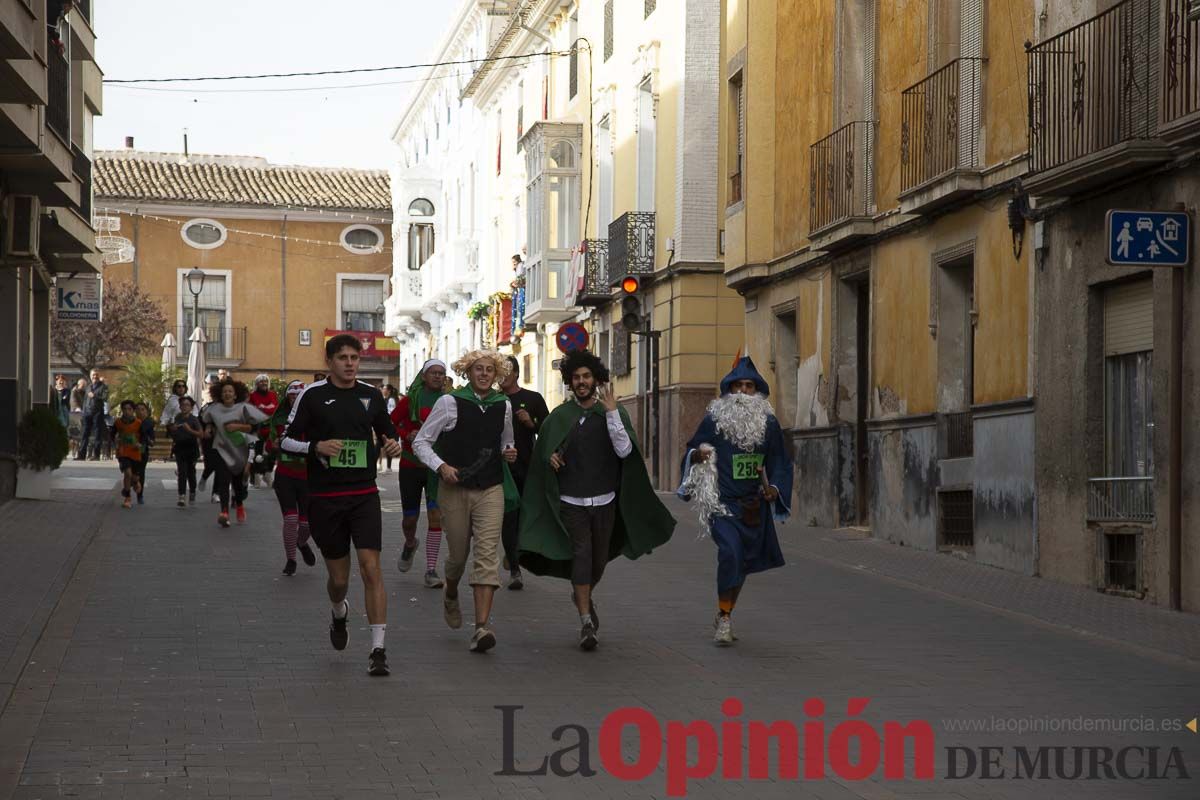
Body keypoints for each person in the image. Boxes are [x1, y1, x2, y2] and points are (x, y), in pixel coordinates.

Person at [519, 349, 675, 651]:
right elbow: (543, 454)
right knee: (582, 555)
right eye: (576, 377)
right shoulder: (560, 416)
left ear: (595, 379)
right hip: (571, 502)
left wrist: (614, 412)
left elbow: (625, 451)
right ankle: (586, 621)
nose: (581, 381)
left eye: (586, 376)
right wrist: (550, 457)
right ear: (570, 381)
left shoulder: (612, 412)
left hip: (604, 501)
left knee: (598, 561)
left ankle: (583, 594)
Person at [281, 334, 404, 677]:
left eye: (355, 358)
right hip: (324, 498)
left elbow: (389, 434)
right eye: (343, 358)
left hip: (364, 494)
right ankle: (339, 611)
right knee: (339, 578)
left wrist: (394, 446)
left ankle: (378, 650)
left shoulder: (371, 395)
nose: (350, 364)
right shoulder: (312, 396)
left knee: (371, 568)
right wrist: (316, 447)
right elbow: (285, 439)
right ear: (329, 361)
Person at [677, 357, 794, 646]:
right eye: (738, 385)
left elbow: (780, 461)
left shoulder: (768, 424)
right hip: (721, 504)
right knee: (730, 552)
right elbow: (692, 448)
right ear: (729, 390)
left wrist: (775, 489)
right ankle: (725, 619)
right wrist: (698, 455)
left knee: (742, 563)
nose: (743, 391)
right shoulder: (715, 420)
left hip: (754, 507)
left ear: (757, 391)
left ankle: (724, 611)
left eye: (749, 386)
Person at [413, 349, 519, 654]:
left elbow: (506, 442)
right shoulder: (450, 402)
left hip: (491, 488)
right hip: (455, 487)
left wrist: (509, 452)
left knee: (486, 556)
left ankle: (481, 627)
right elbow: (421, 442)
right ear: (467, 373)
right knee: (458, 556)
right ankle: (451, 592)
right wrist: (441, 467)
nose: (484, 374)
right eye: (478, 369)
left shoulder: (504, 405)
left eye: (489, 370)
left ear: (496, 375)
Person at [390, 359, 449, 587]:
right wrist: (406, 434)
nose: (437, 376)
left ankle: (431, 570)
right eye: (433, 373)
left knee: (435, 517)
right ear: (424, 376)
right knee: (410, 519)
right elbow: (391, 422)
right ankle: (409, 543)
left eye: (441, 373)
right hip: (410, 465)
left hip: (436, 467)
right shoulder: (411, 400)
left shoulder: (449, 401)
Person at [498, 355, 548, 590]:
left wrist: (532, 423)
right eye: (500, 370)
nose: (502, 374)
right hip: (500, 470)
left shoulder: (532, 398)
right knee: (509, 519)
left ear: (516, 373)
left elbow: (548, 430)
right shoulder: (493, 400)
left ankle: (514, 553)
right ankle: (516, 570)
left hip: (527, 467)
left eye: (507, 370)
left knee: (523, 518)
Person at [202, 378, 267, 528]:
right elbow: (207, 420)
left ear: (236, 394)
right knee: (223, 480)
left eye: (230, 391)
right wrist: (208, 428)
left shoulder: (243, 408)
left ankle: (239, 505)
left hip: (239, 449)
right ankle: (224, 512)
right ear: (220, 394)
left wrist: (238, 426)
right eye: (224, 391)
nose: (227, 393)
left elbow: (254, 427)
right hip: (221, 449)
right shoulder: (214, 408)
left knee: (237, 482)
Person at [267, 381, 316, 576]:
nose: (295, 399)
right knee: (291, 519)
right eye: (291, 396)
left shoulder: (314, 418)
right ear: (287, 398)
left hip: (308, 477)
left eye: (299, 396)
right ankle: (291, 560)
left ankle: (301, 543)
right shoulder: (279, 419)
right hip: (285, 475)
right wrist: (274, 445)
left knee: (306, 524)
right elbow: (269, 444)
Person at [168, 396, 204, 507]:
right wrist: (172, 430)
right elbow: (172, 433)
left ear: (191, 407)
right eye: (182, 405)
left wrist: (190, 430)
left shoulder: (194, 419)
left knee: (191, 472)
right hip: (180, 448)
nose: (184, 407)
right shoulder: (178, 417)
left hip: (191, 448)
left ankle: (192, 491)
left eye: (187, 405)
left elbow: (201, 434)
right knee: (182, 472)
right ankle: (182, 496)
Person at [110, 400, 145, 509]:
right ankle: (127, 497)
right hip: (123, 452)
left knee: (134, 476)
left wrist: (140, 445)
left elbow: (144, 438)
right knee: (127, 473)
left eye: (129, 409)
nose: (127, 411)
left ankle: (135, 482)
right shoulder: (118, 423)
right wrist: (115, 443)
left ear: (133, 411)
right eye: (124, 409)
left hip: (135, 452)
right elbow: (111, 435)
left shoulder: (138, 423)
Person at [248, 374, 279, 488]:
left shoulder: (272, 394)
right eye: (261, 381)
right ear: (257, 384)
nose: (263, 383)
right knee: (257, 454)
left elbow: (276, 409)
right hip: (258, 429)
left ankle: (268, 474)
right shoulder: (252, 396)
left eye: (265, 381)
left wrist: (263, 410)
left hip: (271, 430)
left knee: (272, 453)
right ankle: (256, 477)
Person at [77, 369, 110, 460]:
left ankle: (96, 455)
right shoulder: (88, 387)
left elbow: (105, 398)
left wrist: (95, 396)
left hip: (98, 413)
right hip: (87, 412)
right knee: (84, 434)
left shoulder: (103, 387)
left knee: (97, 434)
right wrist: (84, 411)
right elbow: (85, 400)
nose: (95, 377)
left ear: (98, 376)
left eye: (96, 375)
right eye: (93, 375)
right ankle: (81, 455)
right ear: (90, 376)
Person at [198, 373, 220, 499]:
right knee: (211, 464)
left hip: (222, 440)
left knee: (220, 466)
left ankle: (216, 493)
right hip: (208, 440)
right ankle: (204, 477)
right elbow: (201, 420)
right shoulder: (207, 407)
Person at [134, 402, 156, 505]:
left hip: (142, 449)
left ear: (146, 412)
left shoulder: (149, 423)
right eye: (138, 409)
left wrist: (149, 440)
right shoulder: (132, 421)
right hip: (130, 449)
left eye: (143, 409)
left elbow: (152, 441)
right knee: (130, 473)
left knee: (140, 473)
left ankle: (140, 495)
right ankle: (128, 492)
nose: (140, 411)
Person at [378, 384, 399, 473]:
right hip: (385, 426)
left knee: (385, 445)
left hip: (390, 426)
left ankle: (388, 467)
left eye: (385, 389)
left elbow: (391, 412)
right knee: (380, 446)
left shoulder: (391, 400)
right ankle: (382, 465)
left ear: (389, 391)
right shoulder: (384, 399)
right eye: (383, 388)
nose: (383, 390)